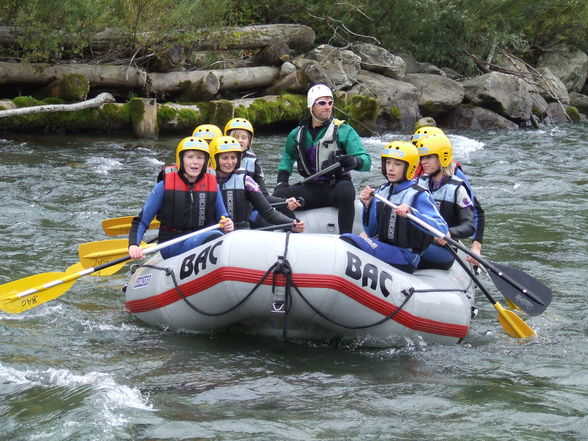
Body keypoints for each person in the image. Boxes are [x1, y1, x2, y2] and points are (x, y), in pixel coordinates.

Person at [273, 84, 372, 234]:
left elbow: (366, 161)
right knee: (279, 196)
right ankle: (295, 230)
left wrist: (355, 161)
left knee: (347, 190)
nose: (327, 107)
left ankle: (346, 237)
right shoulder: (297, 134)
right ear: (311, 106)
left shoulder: (344, 130)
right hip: (311, 188)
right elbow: (287, 157)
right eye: (322, 103)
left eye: (330, 103)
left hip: (336, 187)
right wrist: (282, 181)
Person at [340, 141, 448, 273]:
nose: (390, 168)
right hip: (385, 247)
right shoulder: (381, 191)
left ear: (410, 167)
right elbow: (372, 232)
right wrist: (368, 206)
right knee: (347, 238)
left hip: (406, 256)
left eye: (397, 164)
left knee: (348, 239)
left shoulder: (418, 194)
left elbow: (441, 228)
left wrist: (412, 213)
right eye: (388, 163)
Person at [128, 137, 234, 260]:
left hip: (205, 237)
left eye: (200, 157)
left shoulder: (212, 186)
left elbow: (224, 217)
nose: (195, 162)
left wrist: (228, 224)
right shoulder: (163, 186)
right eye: (190, 157)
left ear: (205, 161)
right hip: (172, 244)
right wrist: (134, 245)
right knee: (214, 236)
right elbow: (141, 221)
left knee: (215, 236)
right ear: (181, 159)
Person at [411, 125, 485, 264]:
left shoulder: (455, 178)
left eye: (427, 154)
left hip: (442, 242)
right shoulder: (418, 174)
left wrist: (476, 247)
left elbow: (476, 212)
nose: (421, 159)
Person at [209, 135, 304, 232]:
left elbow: (268, 212)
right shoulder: (206, 181)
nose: (230, 162)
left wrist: (292, 223)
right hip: (216, 233)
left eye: (233, 157)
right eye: (225, 158)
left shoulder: (246, 181)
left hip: (241, 233)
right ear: (214, 159)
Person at [223, 117, 301, 212]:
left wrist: (285, 202)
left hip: (247, 209)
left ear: (249, 141)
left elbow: (263, 196)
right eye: (236, 137)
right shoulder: (218, 161)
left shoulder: (253, 163)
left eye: (244, 137)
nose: (240, 140)